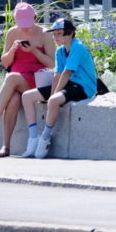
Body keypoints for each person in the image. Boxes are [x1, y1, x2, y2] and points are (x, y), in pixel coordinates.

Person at [0, 2, 55, 158]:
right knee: (13, 100)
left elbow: (53, 64)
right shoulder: (12, 33)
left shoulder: (44, 33)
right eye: (22, 24)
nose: (25, 29)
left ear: (35, 18)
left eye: (28, 24)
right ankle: (5, 146)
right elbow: (5, 62)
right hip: (16, 81)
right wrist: (13, 50)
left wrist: (34, 51)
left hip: (36, 80)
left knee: (11, 77)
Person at [20, 18, 98, 159]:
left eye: (59, 33)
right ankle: (33, 137)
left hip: (84, 86)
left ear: (70, 33)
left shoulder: (77, 47)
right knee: (27, 96)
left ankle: (45, 138)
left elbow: (67, 72)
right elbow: (57, 74)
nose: (55, 37)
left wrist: (53, 97)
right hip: (68, 83)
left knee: (54, 101)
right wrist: (52, 94)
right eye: (54, 34)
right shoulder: (60, 51)